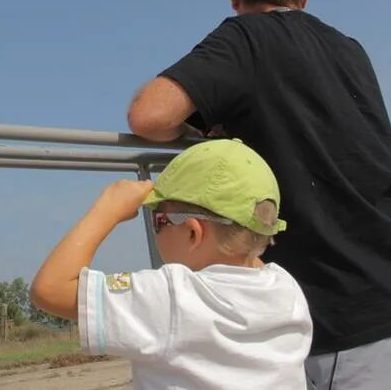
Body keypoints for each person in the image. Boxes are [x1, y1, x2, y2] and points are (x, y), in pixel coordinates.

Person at [127, 0, 391, 389]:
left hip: (350, 325)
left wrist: (203, 130)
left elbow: (148, 115)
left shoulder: (244, 39)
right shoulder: (350, 49)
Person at [30, 138, 313, 389]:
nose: (155, 227)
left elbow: (49, 288)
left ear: (192, 233)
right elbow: (244, 251)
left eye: (158, 220)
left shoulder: (172, 298)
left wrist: (108, 208)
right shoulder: (286, 289)